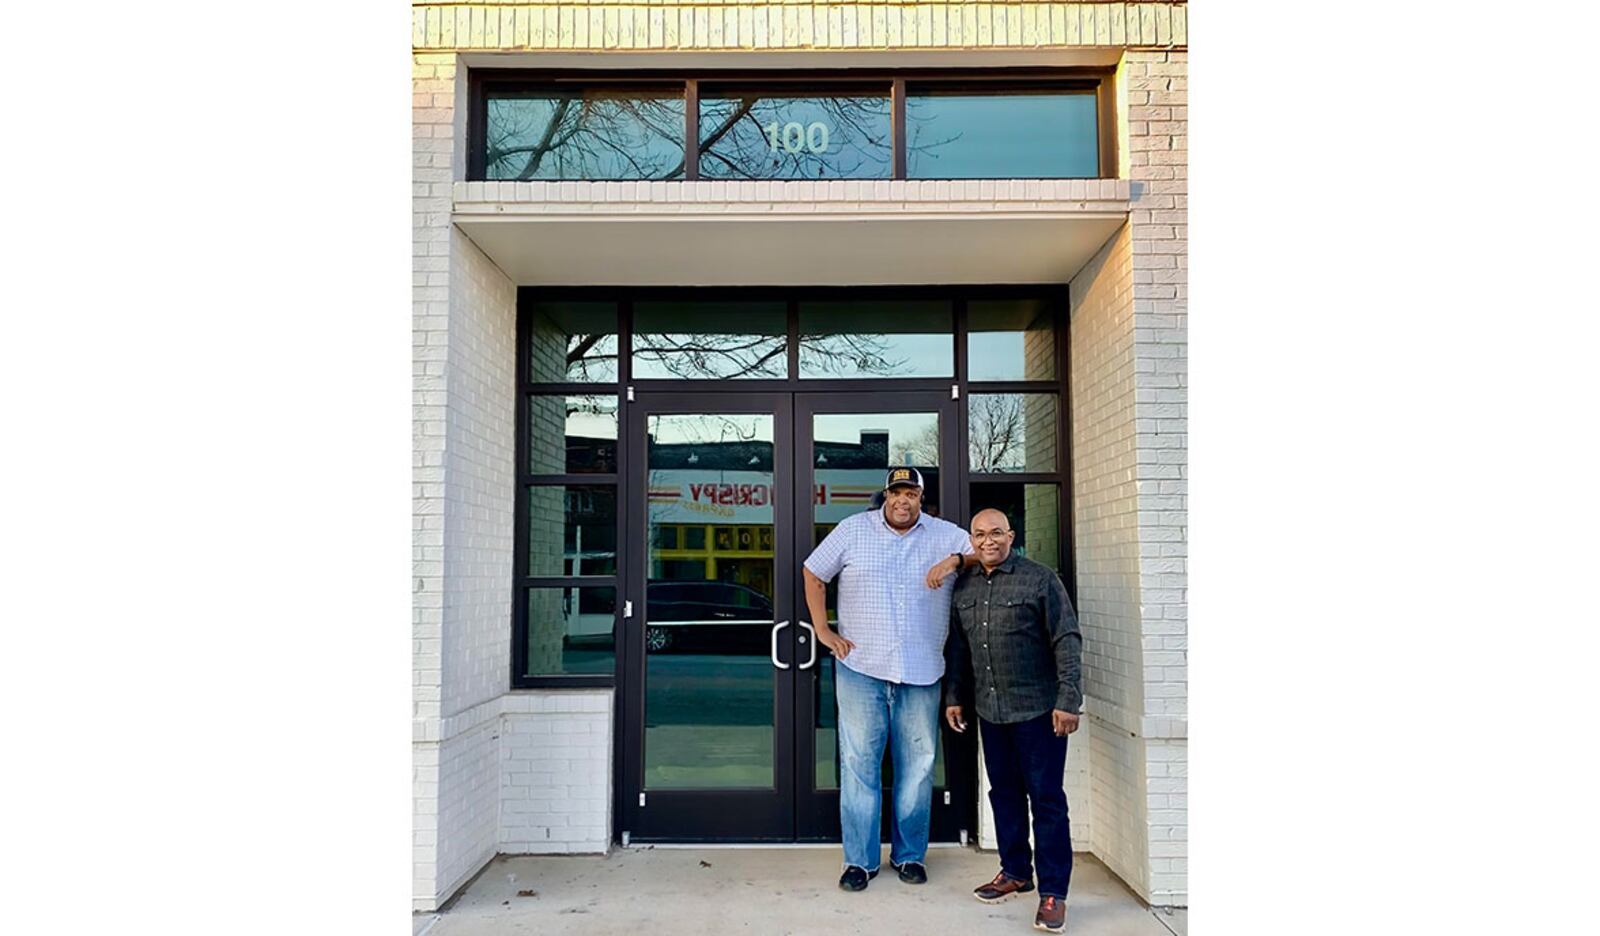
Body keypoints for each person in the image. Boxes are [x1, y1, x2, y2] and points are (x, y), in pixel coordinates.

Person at [803, 466, 975, 891]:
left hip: (921, 670)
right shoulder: (852, 530)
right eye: (896, 493)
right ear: (885, 496)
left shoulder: (945, 534)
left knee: (917, 768)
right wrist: (823, 630)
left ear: (921, 498)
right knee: (860, 765)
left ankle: (910, 856)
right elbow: (813, 572)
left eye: (911, 493)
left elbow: (986, 553)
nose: (903, 500)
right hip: (861, 669)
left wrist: (955, 559)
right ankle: (859, 862)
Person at [943, 508, 1082, 933]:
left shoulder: (1039, 579)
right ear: (972, 540)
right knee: (1003, 793)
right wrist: (954, 697)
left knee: (1046, 800)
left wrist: (1069, 701)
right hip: (990, 710)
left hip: (1040, 710)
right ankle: (1015, 871)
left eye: (997, 533)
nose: (989, 541)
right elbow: (960, 650)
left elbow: (1066, 638)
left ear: (1011, 536)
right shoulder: (964, 585)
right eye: (980, 534)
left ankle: (1053, 893)